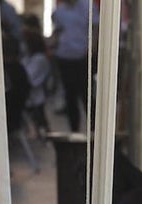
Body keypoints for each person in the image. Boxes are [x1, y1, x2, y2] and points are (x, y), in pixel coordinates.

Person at [52, 0, 96, 133]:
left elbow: (95, 28)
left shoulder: (88, 7)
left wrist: (92, 49)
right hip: (65, 56)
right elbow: (58, 31)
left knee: (86, 93)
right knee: (70, 95)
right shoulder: (60, 11)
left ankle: (94, 129)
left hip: (83, 56)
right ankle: (74, 129)